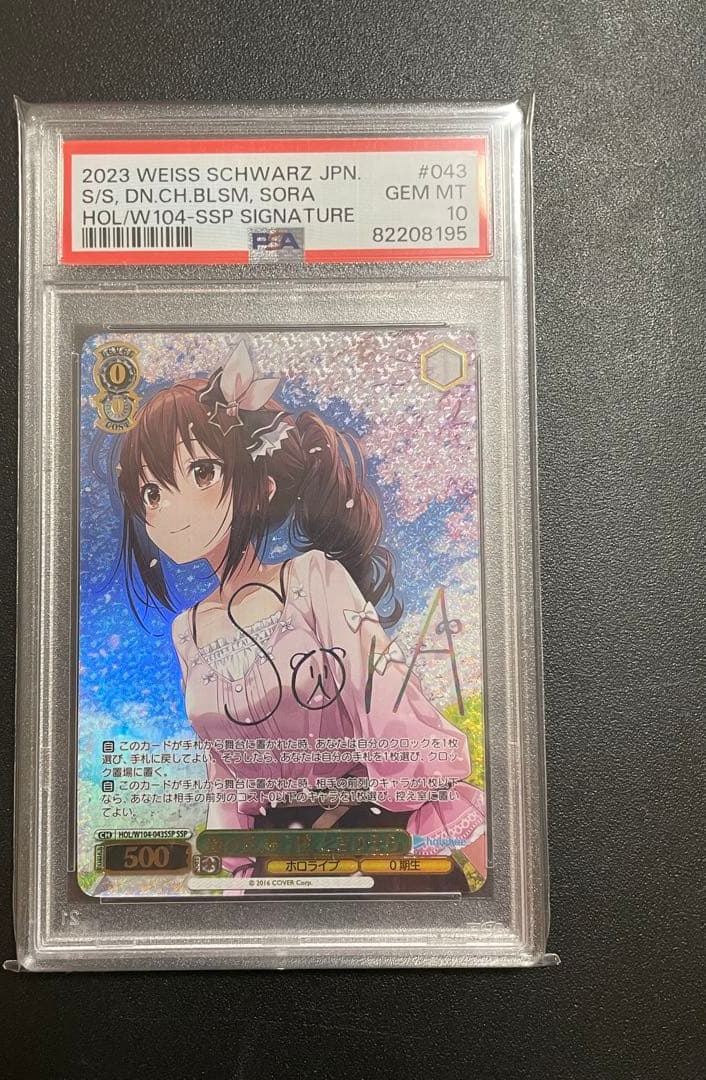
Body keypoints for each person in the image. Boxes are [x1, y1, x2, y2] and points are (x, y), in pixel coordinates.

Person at [115, 340, 486, 885]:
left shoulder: (312, 580)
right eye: (151, 492)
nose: (170, 505)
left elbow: (387, 705)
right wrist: (231, 868)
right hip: (273, 864)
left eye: (201, 472)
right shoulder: (187, 631)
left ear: (261, 486)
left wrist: (463, 841)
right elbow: (224, 775)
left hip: (370, 843)